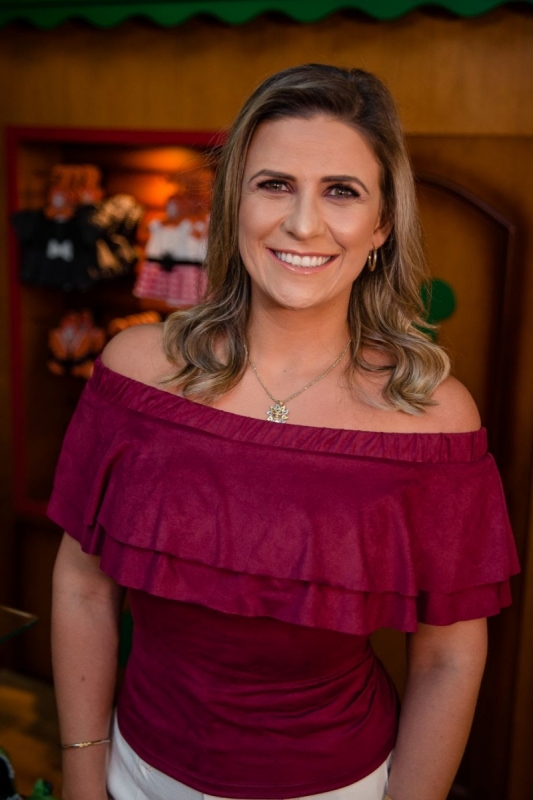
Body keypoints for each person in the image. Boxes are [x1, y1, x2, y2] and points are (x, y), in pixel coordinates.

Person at [49, 64, 519, 800]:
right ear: (232, 204)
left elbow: (449, 658)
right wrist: (83, 775)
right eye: (274, 184)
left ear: (382, 224)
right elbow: (83, 585)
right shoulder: (136, 372)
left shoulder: (431, 420)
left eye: (342, 191)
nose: (303, 224)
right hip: (132, 774)